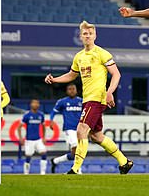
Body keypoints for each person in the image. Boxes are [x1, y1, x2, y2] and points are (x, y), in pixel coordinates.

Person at [45, 21, 133, 175]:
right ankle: (124, 162)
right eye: (85, 33)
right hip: (88, 99)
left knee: (81, 130)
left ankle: (75, 168)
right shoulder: (79, 57)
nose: (87, 36)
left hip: (97, 98)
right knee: (96, 136)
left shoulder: (102, 53)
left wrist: (110, 92)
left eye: (90, 33)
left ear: (95, 36)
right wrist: (55, 79)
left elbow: (116, 74)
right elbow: (72, 75)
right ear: (81, 36)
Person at [49, 83, 82, 173]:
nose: (72, 90)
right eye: (69, 89)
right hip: (69, 129)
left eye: (73, 89)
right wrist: (51, 121)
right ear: (67, 91)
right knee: (76, 147)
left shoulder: (81, 101)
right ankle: (78, 170)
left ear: (76, 90)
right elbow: (53, 112)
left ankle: (55, 161)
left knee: (74, 154)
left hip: (80, 129)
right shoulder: (62, 101)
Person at [19, 99, 47, 175]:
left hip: (38, 139)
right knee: (28, 157)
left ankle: (43, 172)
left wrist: (44, 137)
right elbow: (19, 127)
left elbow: (44, 126)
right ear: (31, 104)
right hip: (29, 140)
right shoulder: (27, 115)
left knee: (44, 153)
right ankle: (26, 173)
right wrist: (20, 138)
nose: (36, 104)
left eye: (37, 103)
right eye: (34, 103)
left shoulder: (41, 115)